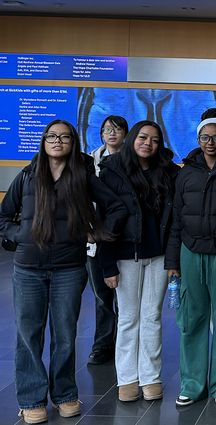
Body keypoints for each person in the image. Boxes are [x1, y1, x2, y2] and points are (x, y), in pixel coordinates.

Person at [0, 120, 126, 424]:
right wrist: (21, 234)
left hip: (69, 268)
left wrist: (98, 232)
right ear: (43, 141)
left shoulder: (82, 176)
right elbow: (1, 218)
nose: (57, 141)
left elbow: (116, 207)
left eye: (64, 137)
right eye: (52, 136)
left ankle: (65, 394)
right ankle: (31, 399)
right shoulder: (27, 176)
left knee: (65, 335)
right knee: (29, 335)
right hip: (28, 269)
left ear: (73, 142)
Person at [166, 109, 216, 407]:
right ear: (197, 139)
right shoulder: (186, 171)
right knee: (191, 319)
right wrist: (173, 262)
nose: (210, 142)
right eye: (204, 137)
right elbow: (176, 218)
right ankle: (192, 383)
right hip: (189, 252)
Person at [99, 121, 180, 403]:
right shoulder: (112, 171)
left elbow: (173, 222)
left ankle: (150, 377)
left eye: (155, 140)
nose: (148, 143)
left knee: (152, 317)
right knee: (128, 318)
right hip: (124, 257)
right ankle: (127, 379)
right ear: (132, 138)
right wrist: (107, 265)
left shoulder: (169, 172)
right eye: (143, 137)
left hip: (157, 256)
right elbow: (103, 221)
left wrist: (173, 260)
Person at [87, 115, 129, 366]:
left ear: (125, 133)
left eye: (116, 129)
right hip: (95, 236)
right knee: (102, 295)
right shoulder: (89, 161)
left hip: (123, 237)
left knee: (125, 297)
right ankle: (103, 344)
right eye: (106, 130)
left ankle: (123, 344)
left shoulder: (130, 161)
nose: (111, 133)